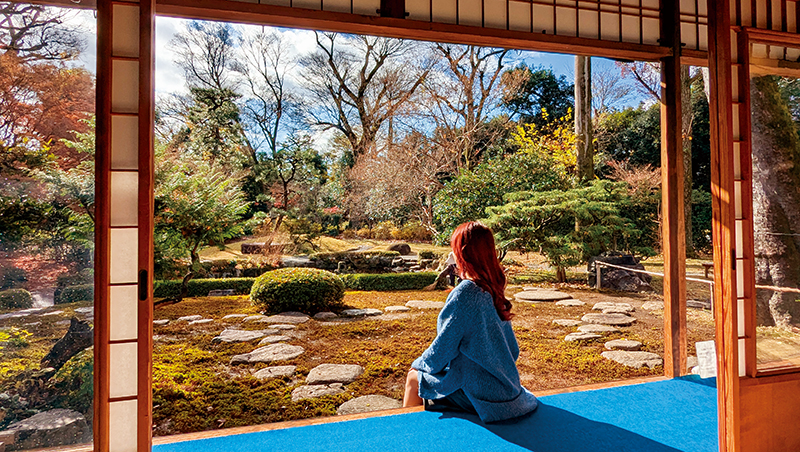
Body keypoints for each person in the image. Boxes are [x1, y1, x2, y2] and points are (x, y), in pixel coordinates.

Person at [403, 221, 538, 423]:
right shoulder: (493, 288)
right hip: (508, 389)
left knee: (413, 379)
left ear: (462, 253)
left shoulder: (466, 293)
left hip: (482, 395)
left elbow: (442, 351)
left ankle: (405, 438)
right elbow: (513, 349)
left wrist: (418, 365)